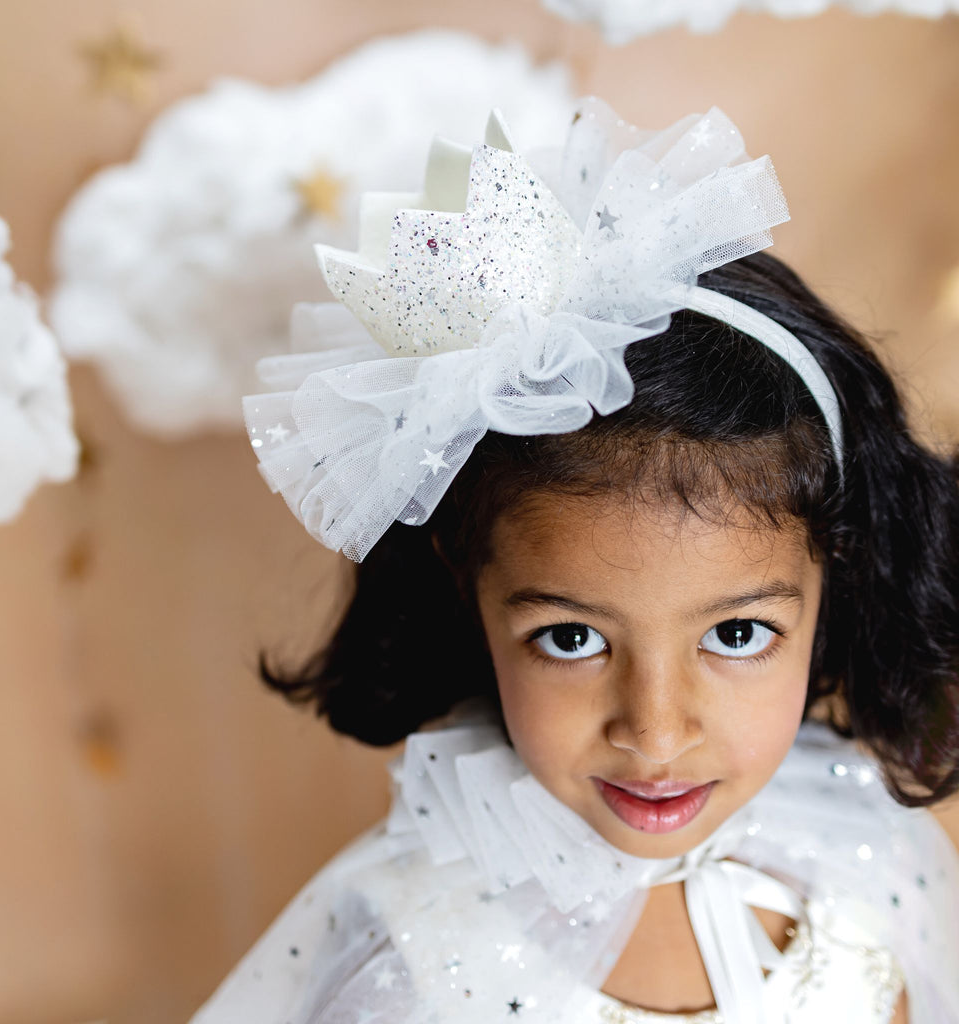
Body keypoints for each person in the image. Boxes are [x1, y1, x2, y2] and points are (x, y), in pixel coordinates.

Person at [193, 101, 959, 1023]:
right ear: (464, 581)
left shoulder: (870, 850)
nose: (656, 733)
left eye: (738, 633)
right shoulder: (418, 965)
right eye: (571, 638)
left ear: (835, 575)